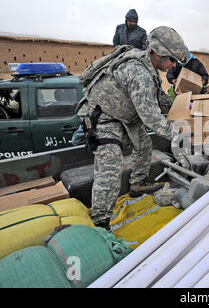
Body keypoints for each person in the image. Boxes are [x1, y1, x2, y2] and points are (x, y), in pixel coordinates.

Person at [77, 26, 187, 228]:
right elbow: (152, 119)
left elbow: (157, 97)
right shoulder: (139, 73)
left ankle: (137, 183)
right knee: (111, 167)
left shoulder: (147, 66)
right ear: (159, 53)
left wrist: (179, 108)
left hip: (122, 117)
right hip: (102, 118)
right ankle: (100, 220)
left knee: (144, 143)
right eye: (172, 60)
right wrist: (181, 136)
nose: (173, 65)